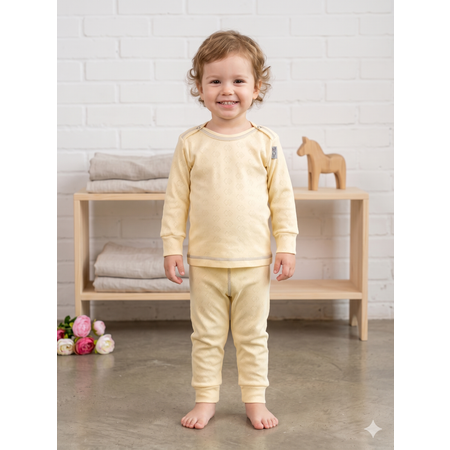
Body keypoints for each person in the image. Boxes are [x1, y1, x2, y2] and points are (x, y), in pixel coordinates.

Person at [160, 30, 299, 430]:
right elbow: (176, 200)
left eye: (238, 80)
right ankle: (205, 399)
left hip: (253, 262)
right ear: (199, 87)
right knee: (206, 336)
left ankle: (255, 400)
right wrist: (172, 247)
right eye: (215, 80)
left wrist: (286, 244)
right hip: (205, 263)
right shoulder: (190, 143)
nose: (227, 90)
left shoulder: (266, 142)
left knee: (253, 336)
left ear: (257, 87)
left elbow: (282, 198)